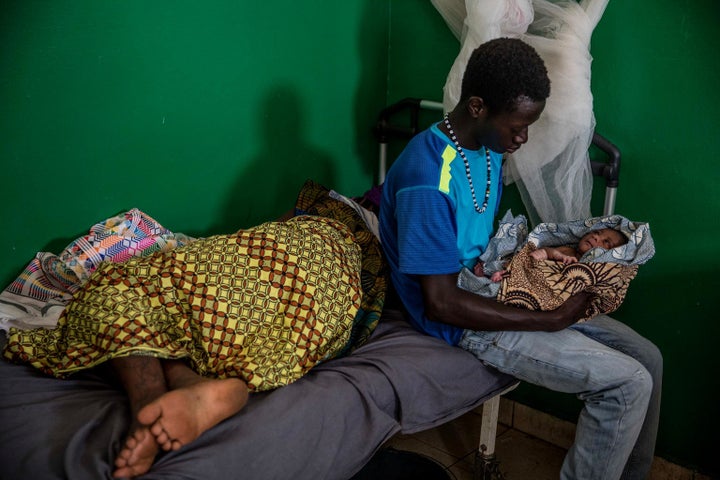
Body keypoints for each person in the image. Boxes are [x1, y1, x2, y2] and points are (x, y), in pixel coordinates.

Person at [379, 37, 662, 480]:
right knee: (627, 384)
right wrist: (549, 319)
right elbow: (442, 303)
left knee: (648, 357)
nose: (523, 137)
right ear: (477, 107)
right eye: (517, 126)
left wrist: (548, 270)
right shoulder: (427, 178)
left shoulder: (488, 148)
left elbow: (481, 242)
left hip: (503, 282)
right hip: (463, 319)